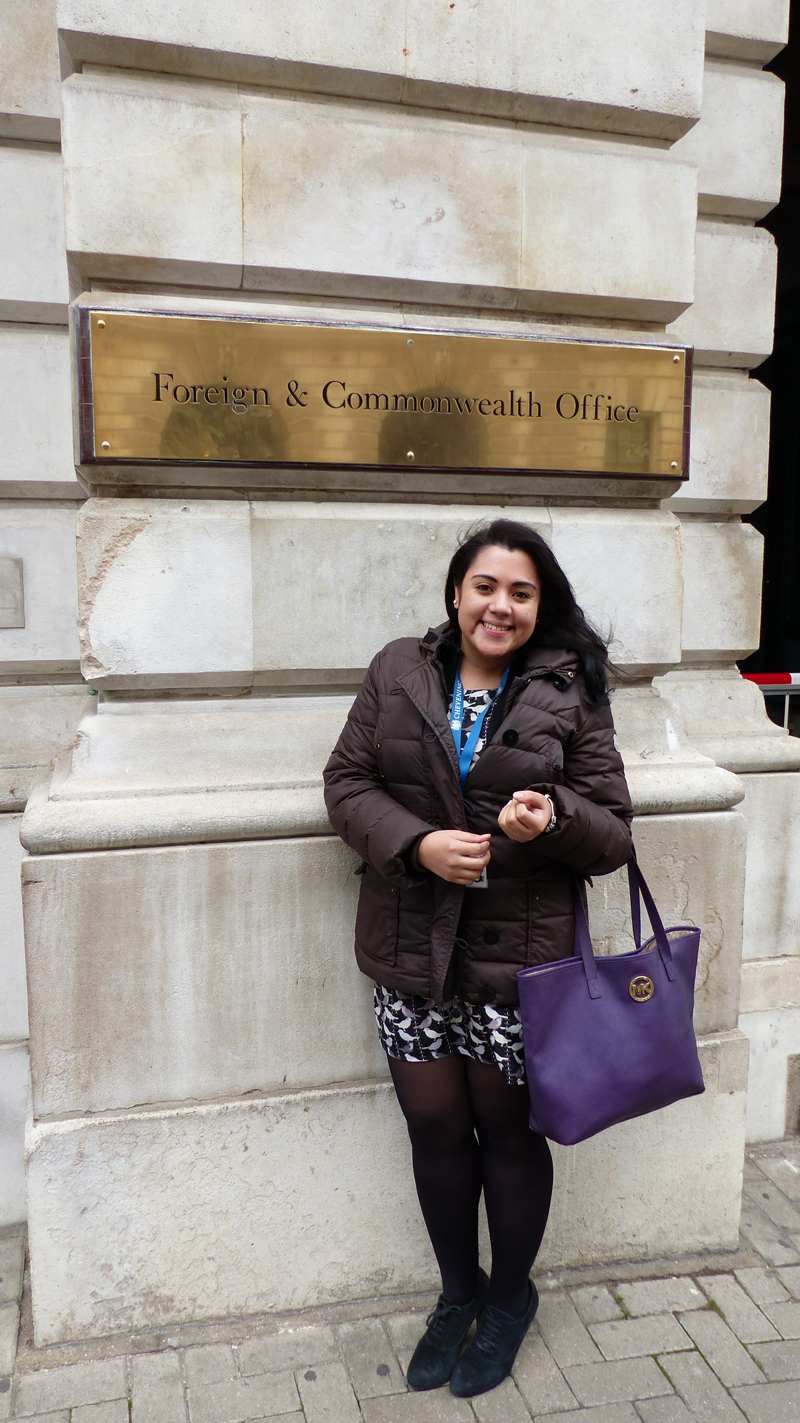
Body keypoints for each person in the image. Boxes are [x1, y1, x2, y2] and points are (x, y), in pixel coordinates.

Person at [323, 518, 633, 1399]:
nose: (500, 605)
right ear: (457, 593)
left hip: (514, 959)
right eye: (486, 586)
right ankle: (456, 1294)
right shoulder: (397, 670)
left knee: (506, 1132)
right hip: (411, 948)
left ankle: (508, 1297)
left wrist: (556, 821)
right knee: (434, 1129)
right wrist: (417, 844)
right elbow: (346, 783)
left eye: (521, 591)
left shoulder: (571, 689)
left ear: (541, 606)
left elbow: (613, 833)